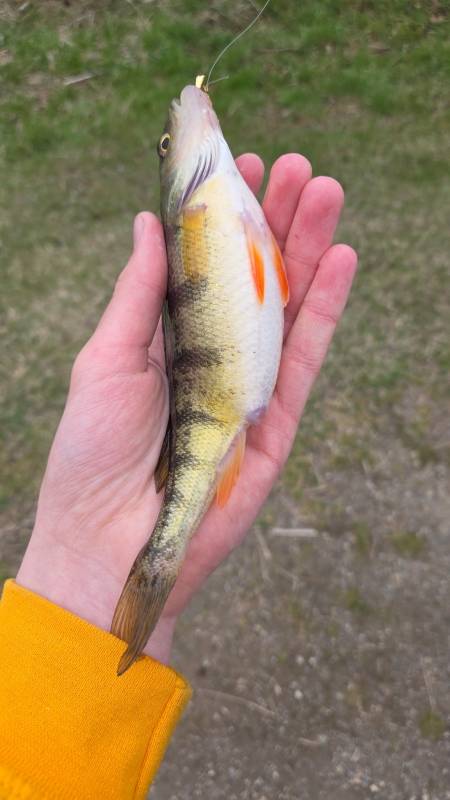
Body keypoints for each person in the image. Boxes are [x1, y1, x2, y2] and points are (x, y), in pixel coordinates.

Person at [0, 153, 357, 799]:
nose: (179, 136)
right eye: (170, 147)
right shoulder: (202, 198)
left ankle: (133, 601)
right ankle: (147, 581)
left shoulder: (208, 198)